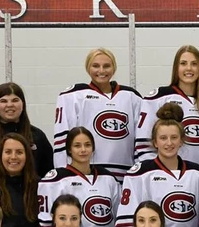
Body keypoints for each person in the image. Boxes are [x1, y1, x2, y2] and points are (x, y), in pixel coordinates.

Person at [116, 102, 199, 227]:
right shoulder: (139, 174)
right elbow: (128, 221)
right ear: (155, 142)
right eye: (163, 138)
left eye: (174, 137)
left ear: (181, 140)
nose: (169, 143)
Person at [53, 47, 147, 177]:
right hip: (88, 175)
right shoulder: (73, 96)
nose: (101, 71)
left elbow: (142, 140)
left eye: (106, 66)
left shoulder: (132, 97)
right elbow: (63, 141)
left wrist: (141, 173)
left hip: (125, 174)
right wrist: (64, 175)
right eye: (96, 66)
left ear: (114, 68)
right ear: (88, 68)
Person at [38, 127, 121, 227]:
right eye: (77, 145)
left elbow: (119, 216)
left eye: (87, 145)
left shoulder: (108, 178)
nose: (83, 150)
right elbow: (46, 223)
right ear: (69, 149)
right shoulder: (55, 180)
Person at [138, 45, 199, 168]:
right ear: (176, 67)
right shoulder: (159, 97)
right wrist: (153, 171)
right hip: (171, 175)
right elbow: (143, 142)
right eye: (183, 63)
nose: (189, 68)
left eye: (194, 64)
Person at [0, 82, 53, 183]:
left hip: (30, 195)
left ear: (23, 104)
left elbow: (48, 173)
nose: (9, 105)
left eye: (15, 100)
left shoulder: (37, 136)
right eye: (3, 101)